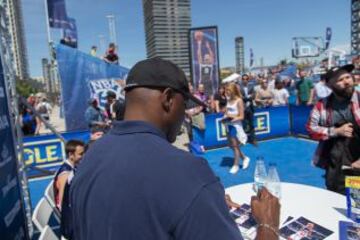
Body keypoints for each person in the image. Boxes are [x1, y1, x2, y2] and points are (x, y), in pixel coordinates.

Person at [70, 57, 280, 240]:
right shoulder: (188, 172)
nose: (185, 114)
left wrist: (197, 205)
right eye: (185, 104)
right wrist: (268, 224)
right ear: (168, 99)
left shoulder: (89, 156)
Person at [306, 64, 360, 194]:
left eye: (347, 77)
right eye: (340, 80)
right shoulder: (321, 105)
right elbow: (311, 129)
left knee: (356, 198)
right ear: (330, 85)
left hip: (357, 157)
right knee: (335, 194)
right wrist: (335, 131)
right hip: (335, 160)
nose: (346, 82)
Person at [222, 83, 250, 174]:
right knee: (233, 146)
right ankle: (245, 158)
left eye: (228, 90)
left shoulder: (239, 100)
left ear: (233, 90)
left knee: (235, 146)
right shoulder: (228, 99)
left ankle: (236, 165)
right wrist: (224, 117)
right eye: (226, 90)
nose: (226, 92)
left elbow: (241, 116)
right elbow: (226, 112)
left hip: (235, 126)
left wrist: (230, 116)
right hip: (228, 125)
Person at [53, 140, 85, 210]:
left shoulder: (74, 167)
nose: (84, 156)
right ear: (71, 155)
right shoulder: (65, 175)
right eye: (81, 154)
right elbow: (63, 202)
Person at [238, 74, 257, 145]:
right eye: (243, 79)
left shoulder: (251, 86)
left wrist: (247, 98)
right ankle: (242, 140)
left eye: (246, 79)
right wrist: (248, 98)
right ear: (242, 80)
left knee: (251, 125)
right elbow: (240, 96)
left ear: (248, 80)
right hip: (242, 109)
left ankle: (253, 140)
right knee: (243, 125)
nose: (245, 80)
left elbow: (254, 95)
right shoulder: (239, 87)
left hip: (250, 108)